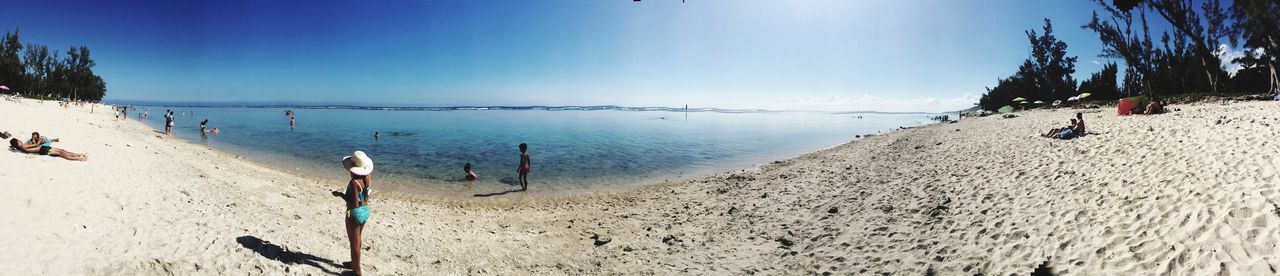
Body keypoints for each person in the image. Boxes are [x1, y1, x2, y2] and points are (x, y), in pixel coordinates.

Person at [330, 151, 373, 276]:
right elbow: (366, 195)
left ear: (353, 170)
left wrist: (340, 195)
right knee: (358, 238)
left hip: (353, 213)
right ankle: (353, 262)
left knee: (354, 242)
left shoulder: (354, 182)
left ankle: (357, 271)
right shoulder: (367, 178)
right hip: (365, 211)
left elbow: (354, 203)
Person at [10, 138, 88, 161]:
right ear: (17, 143)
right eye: (18, 140)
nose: (20, 140)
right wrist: (39, 141)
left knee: (62, 150)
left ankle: (79, 154)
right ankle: (79, 158)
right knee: (61, 153)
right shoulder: (23, 146)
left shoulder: (22, 147)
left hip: (43, 148)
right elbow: (36, 145)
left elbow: (31, 146)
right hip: (43, 150)